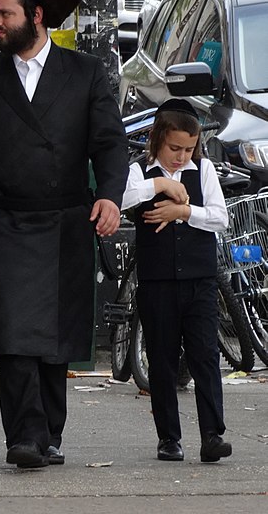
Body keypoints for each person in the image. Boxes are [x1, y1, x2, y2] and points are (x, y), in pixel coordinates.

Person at [0, 0, 129, 469]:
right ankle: (22, 435)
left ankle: (50, 431)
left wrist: (111, 197)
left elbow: (110, 145)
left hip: (67, 218)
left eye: (4, 13)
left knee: (56, 335)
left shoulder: (86, 73)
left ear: (36, 14)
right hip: (0, 219)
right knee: (15, 331)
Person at [121, 99, 231, 463]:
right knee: (162, 360)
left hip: (200, 279)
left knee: (205, 357)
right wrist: (159, 187)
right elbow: (124, 200)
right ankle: (169, 437)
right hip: (157, 282)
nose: (181, 157)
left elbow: (219, 218)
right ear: (156, 139)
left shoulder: (203, 170)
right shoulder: (141, 172)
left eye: (188, 149)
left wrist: (183, 211)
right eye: (174, 148)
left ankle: (212, 434)